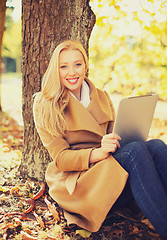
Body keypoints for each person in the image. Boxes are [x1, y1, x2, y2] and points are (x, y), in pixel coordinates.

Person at [33, 40, 167, 239]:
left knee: (156, 145)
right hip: (82, 181)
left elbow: (118, 139)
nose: (72, 72)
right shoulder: (45, 104)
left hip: (110, 171)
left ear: (85, 65)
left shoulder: (102, 97)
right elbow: (60, 159)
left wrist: (123, 139)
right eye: (64, 66)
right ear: (56, 69)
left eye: (77, 64)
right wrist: (98, 153)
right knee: (136, 151)